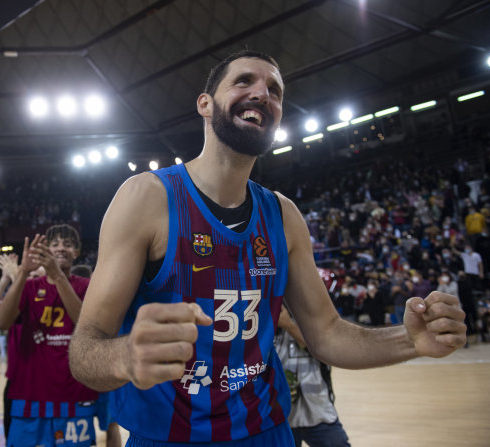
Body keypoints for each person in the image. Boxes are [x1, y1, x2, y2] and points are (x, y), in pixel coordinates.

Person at [69, 50, 466, 446]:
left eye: (275, 90)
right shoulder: (146, 198)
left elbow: (326, 334)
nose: (263, 93)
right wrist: (123, 357)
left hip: (267, 432)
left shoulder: (283, 216)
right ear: (205, 104)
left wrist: (410, 340)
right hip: (166, 437)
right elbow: (84, 349)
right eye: (244, 81)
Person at [0, 225, 108, 447]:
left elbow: (85, 324)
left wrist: (58, 277)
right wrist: (23, 272)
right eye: (54, 244)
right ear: (45, 250)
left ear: (76, 252)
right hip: (30, 397)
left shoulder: (87, 286)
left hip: (74, 396)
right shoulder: (29, 287)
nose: (61, 248)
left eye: (67, 244)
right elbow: (2, 322)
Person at [274, 306, 350, 447]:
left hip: (319, 412)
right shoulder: (267, 327)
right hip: (282, 416)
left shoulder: (316, 323)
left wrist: (288, 325)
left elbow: (323, 349)